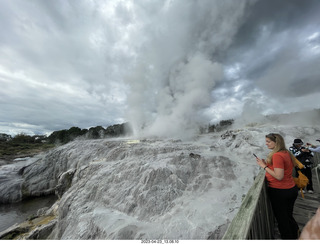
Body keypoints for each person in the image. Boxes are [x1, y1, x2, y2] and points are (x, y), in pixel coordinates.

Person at [256, 133, 299, 240]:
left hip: (280, 191)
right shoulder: (286, 152)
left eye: (268, 142)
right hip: (291, 189)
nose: (266, 144)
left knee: (282, 220)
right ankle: (296, 233)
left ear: (276, 142)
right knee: (288, 216)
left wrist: (264, 166)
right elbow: (283, 168)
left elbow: (279, 176)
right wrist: (269, 164)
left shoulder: (277, 155)